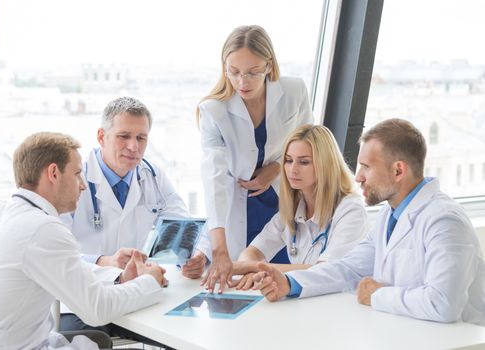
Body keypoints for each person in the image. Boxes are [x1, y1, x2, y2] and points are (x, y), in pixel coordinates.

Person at [252, 119, 485, 326]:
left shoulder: (445, 221)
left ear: (398, 170)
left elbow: (443, 304)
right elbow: (347, 268)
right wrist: (289, 283)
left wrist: (376, 295)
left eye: (366, 167)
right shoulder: (389, 215)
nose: (358, 176)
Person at [0, 132, 168, 349]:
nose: (83, 185)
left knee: (97, 341)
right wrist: (149, 281)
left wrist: (119, 277)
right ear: (53, 173)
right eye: (77, 173)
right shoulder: (42, 229)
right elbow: (98, 309)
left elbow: (65, 267)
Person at [183, 25, 313, 292]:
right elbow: (215, 179)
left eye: (253, 72)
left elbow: (309, 144)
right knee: (246, 290)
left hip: (284, 202)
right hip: (240, 207)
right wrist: (218, 250)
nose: (243, 82)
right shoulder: (213, 111)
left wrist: (276, 169)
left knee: (291, 286)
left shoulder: (294, 91)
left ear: (269, 65)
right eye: (234, 72)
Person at [231, 125, 368, 290]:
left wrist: (252, 268)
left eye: (304, 162)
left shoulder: (350, 210)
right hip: (306, 301)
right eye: (288, 160)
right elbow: (253, 252)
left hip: (338, 302)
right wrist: (250, 267)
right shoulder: (294, 208)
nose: (292, 170)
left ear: (325, 164)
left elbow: (327, 271)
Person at [68, 96, 189, 268]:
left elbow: (183, 228)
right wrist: (104, 262)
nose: (133, 147)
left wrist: (194, 257)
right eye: (124, 136)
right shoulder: (73, 180)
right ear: (102, 137)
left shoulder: (153, 177)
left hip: (133, 287)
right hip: (85, 286)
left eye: (141, 138)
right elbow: (53, 254)